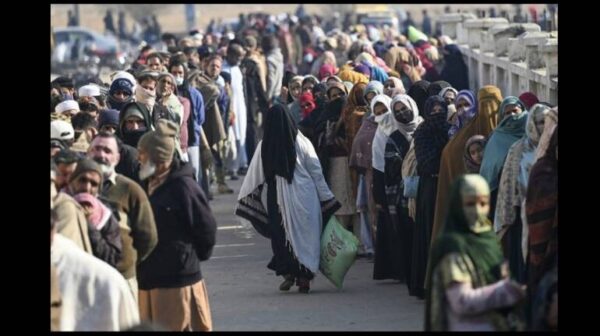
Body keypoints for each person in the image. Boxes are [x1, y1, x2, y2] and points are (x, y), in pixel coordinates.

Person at [236, 104, 340, 293]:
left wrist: (246, 196)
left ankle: (291, 273)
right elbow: (316, 172)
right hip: (305, 197)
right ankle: (303, 277)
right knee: (306, 236)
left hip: (277, 199)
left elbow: (254, 175)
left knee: (281, 234)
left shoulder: (264, 145)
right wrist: (327, 198)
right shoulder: (302, 142)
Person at [137, 120, 216, 331]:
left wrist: (186, 258)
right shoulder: (146, 184)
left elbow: (206, 228)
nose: (139, 158)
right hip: (149, 279)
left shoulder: (184, 187)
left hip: (178, 281)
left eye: (143, 153)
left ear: (159, 157)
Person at [425, 174, 526, 331]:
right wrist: (505, 291)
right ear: (457, 205)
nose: (477, 210)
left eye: (483, 203)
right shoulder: (453, 247)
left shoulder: (488, 239)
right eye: (470, 204)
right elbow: (462, 301)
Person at [88, 132, 158, 302]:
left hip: (122, 280)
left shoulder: (130, 190)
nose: (101, 155)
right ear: (88, 152)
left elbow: (148, 237)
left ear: (117, 158)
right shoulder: (74, 186)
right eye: (96, 149)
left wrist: (127, 261)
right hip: (86, 280)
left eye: (107, 150)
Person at [411, 95, 450, 299]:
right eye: (433, 111)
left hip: (447, 187)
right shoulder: (422, 133)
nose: (437, 114)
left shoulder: (452, 130)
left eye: (440, 110)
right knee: (430, 233)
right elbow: (427, 163)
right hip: (430, 188)